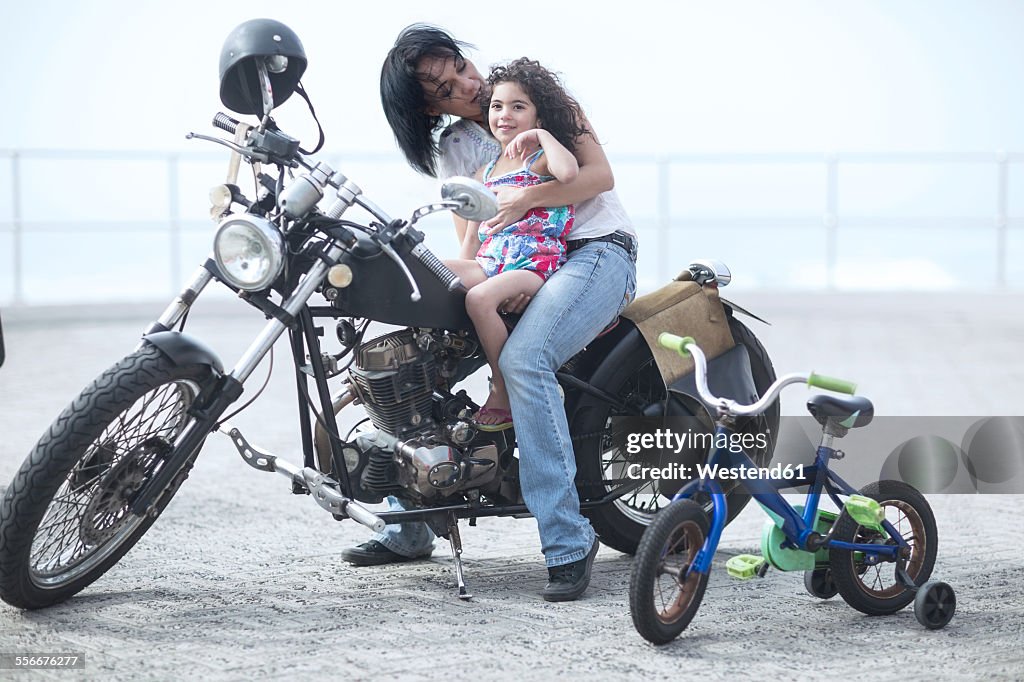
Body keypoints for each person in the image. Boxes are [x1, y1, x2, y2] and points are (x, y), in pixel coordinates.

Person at [342, 24, 637, 603]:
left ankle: (568, 541)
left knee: (526, 360)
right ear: (428, 109)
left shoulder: (546, 103)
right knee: (420, 342)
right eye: (446, 88)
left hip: (595, 251)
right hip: (514, 259)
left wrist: (529, 197)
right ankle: (408, 522)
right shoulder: (457, 148)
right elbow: (472, 236)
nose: (469, 87)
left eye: (461, 69)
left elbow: (599, 178)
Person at [445, 58, 582, 427]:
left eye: (518, 107)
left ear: (537, 118)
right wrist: (457, 273)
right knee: (431, 271)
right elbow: (475, 235)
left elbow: (569, 173)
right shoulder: (483, 172)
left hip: (532, 265)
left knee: (479, 297)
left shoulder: (537, 160)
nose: (505, 114)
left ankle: (502, 388)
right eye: (497, 106)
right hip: (492, 261)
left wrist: (544, 137)